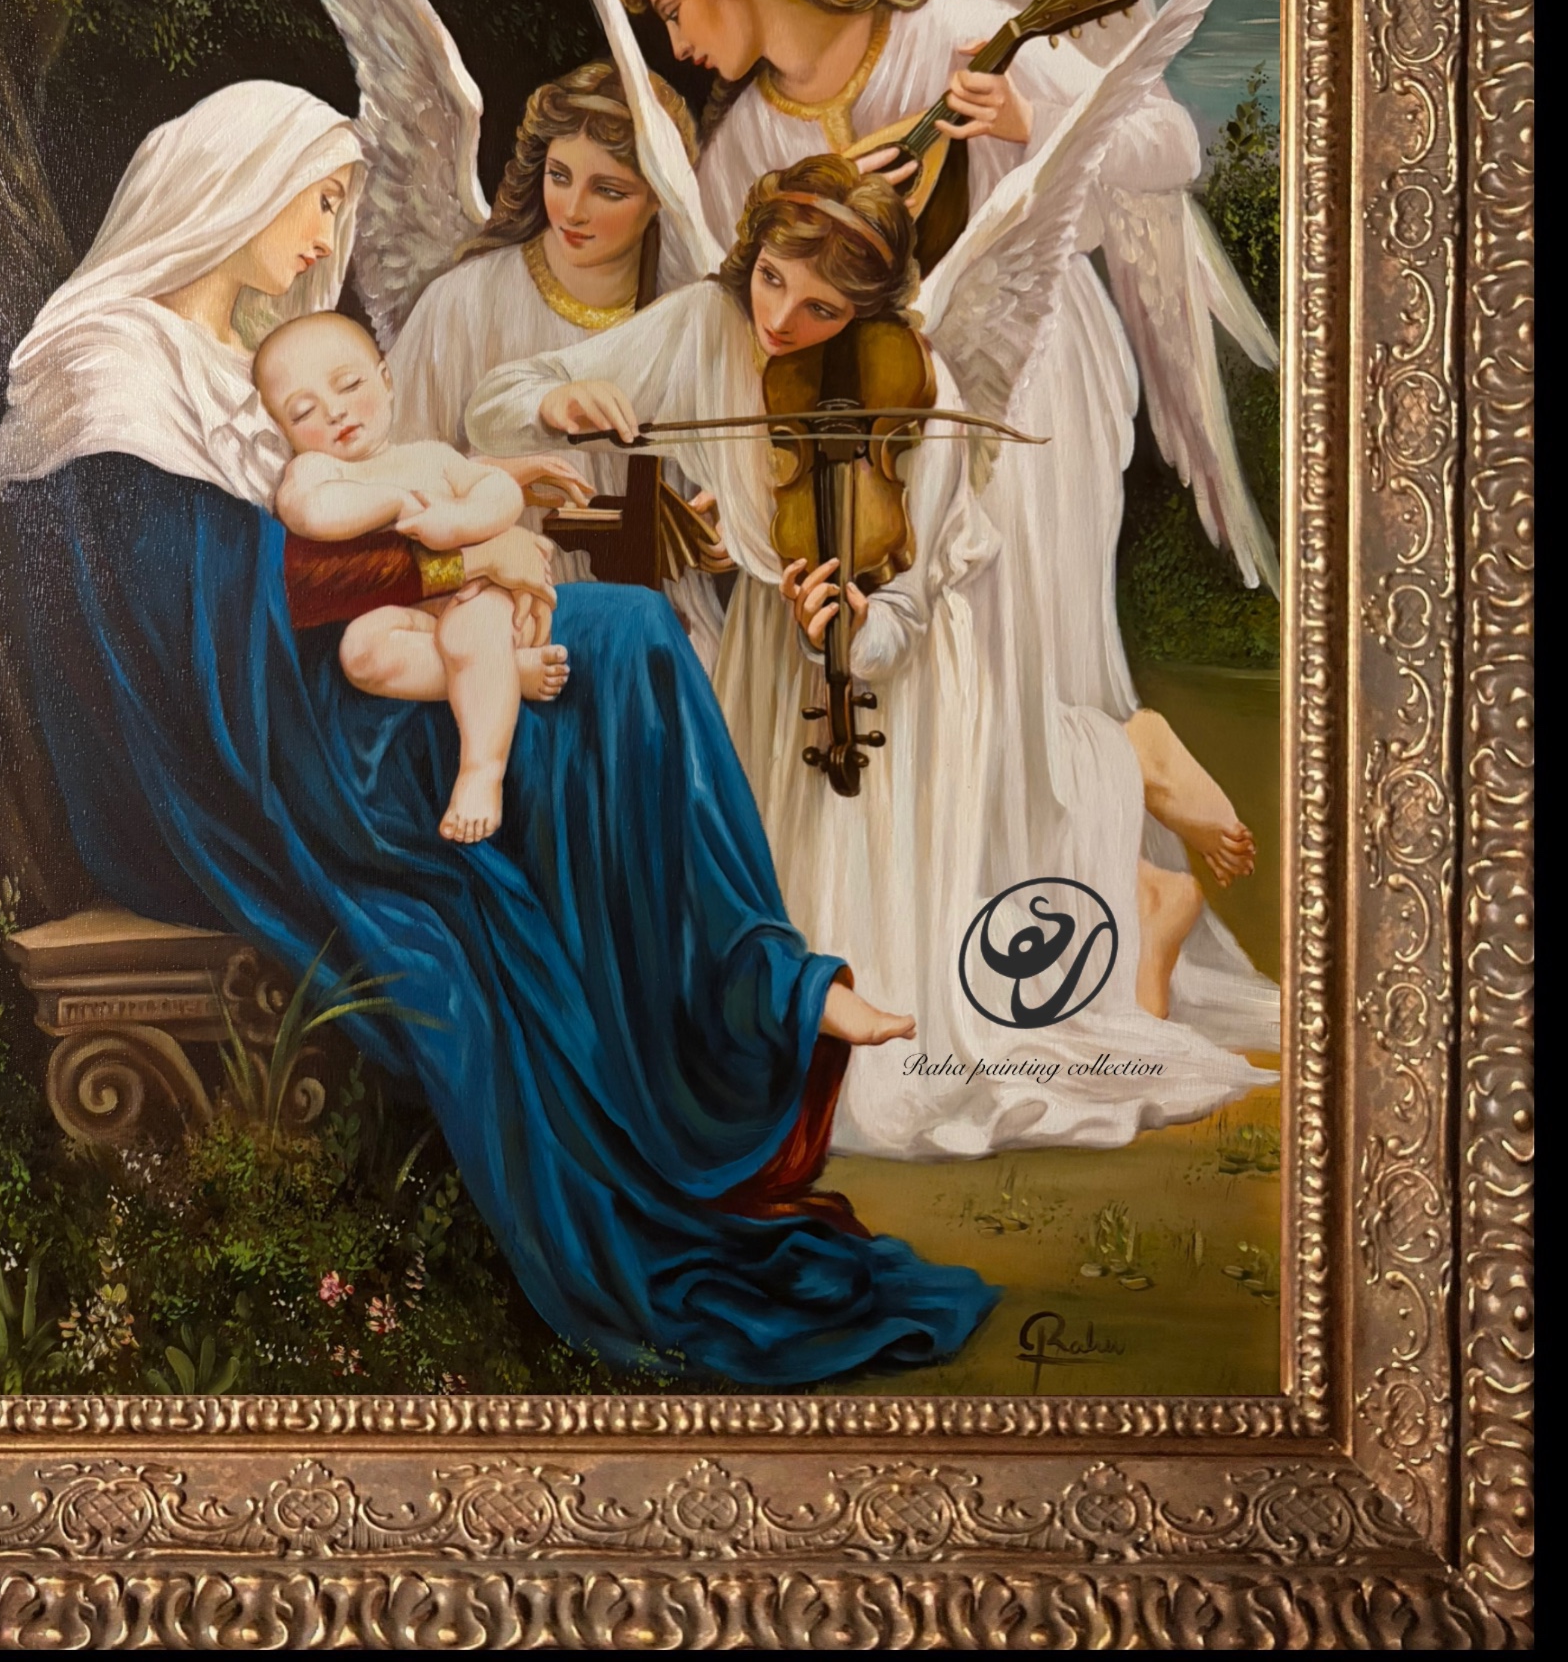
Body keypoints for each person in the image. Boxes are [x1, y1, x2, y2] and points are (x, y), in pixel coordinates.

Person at [0, 77, 996, 1382]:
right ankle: (755, 996)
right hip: (262, 760)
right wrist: (458, 565)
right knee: (618, 649)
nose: (326, 238)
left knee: (629, 638)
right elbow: (213, 620)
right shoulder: (111, 368)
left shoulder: (230, 360)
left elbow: (326, 539)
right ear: (235, 188)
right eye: (317, 204)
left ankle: (761, 982)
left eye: (340, 206)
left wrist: (488, 503)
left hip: (325, 691)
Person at [467, 153, 1277, 1156]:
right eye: (772, 280)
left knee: (897, 1032)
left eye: (821, 309)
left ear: (869, 308)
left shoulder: (916, 380)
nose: (780, 320)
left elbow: (921, 590)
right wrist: (561, 401)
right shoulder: (706, 323)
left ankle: (1130, 798)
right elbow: (494, 404)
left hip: (905, 663)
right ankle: (1132, 829)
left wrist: (859, 631)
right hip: (775, 657)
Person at [612, 0, 1269, 1019]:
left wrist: (1027, 116)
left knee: (1005, 659)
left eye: (676, 13)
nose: (677, 47)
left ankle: (1107, 864)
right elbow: (729, 312)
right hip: (866, 432)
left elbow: (1169, 143)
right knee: (926, 691)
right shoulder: (744, 143)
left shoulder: (956, 34)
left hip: (1026, 375)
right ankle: (1107, 879)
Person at [385, 60, 726, 669]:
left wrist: (727, 519)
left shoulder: (692, 313)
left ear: (659, 197)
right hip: (503, 616)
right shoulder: (465, 302)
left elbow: (723, 473)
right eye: (559, 176)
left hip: (666, 621)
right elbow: (396, 482)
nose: (571, 210)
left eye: (608, 191)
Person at [255, 311, 569, 844]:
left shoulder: (431, 457)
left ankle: (480, 774)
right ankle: (505, 673)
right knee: (361, 650)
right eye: (304, 411)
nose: (335, 411)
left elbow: (498, 492)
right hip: (403, 617)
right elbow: (312, 513)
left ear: (387, 380)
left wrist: (460, 521)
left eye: (349, 385)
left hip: (471, 598)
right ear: (283, 430)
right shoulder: (317, 471)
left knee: (470, 633)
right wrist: (394, 500)